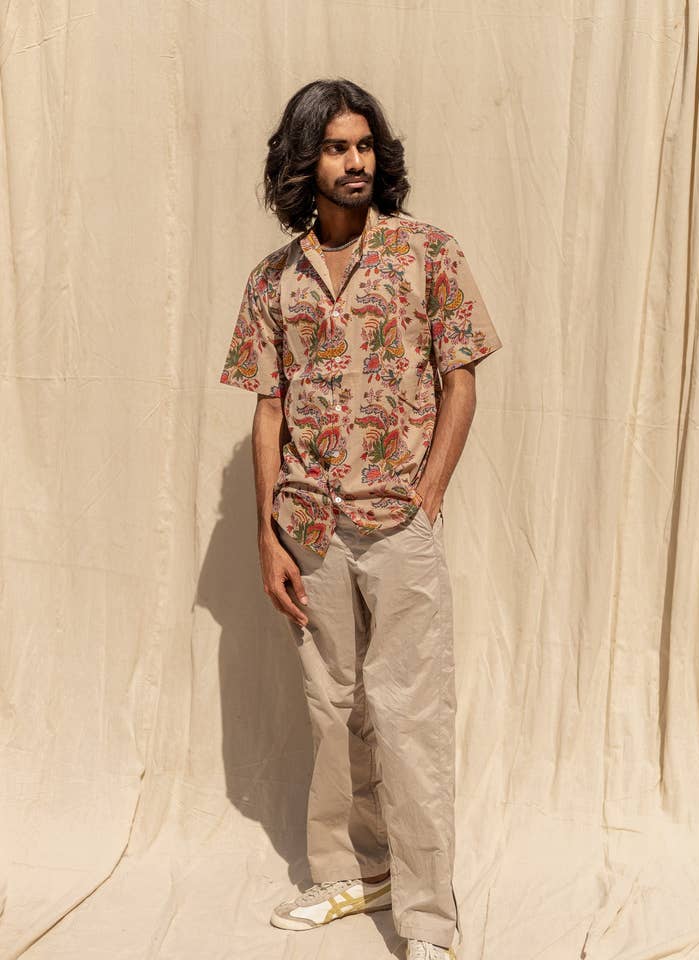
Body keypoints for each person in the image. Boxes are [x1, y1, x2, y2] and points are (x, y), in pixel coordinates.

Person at [220, 78, 503, 960]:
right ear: (303, 162)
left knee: (412, 718)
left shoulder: (427, 253)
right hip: (309, 529)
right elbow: (269, 408)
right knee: (332, 710)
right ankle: (355, 872)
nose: (355, 162)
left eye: (365, 145)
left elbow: (461, 376)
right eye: (337, 147)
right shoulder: (274, 279)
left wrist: (430, 490)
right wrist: (266, 535)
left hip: (396, 525)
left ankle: (428, 922)